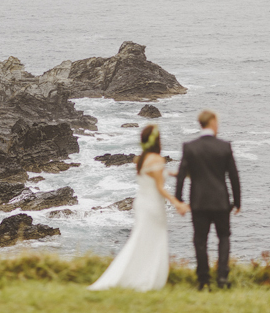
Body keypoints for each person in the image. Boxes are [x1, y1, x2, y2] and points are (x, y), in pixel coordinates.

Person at [89, 125, 190, 292]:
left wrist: (175, 174)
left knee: (141, 238)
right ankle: (146, 278)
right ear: (157, 141)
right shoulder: (156, 159)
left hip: (142, 203)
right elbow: (160, 187)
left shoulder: (142, 159)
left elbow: (155, 175)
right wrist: (177, 202)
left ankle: (133, 275)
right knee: (153, 239)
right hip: (153, 205)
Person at [175, 110, 241, 291]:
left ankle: (203, 280)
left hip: (199, 202)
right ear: (212, 122)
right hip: (221, 202)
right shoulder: (225, 146)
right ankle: (222, 277)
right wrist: (237, 202)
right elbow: (234, 177)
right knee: (224, 237)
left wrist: (179, 199)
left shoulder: (190, 147)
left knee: (200, 240)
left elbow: (181, 176)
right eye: (217, 122)